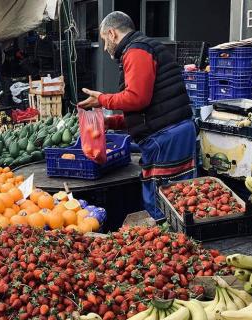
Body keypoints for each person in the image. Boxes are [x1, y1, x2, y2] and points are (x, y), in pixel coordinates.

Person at [78, 11, 195, 220]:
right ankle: (177, 242)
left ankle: (169, 243)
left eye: (104, 41)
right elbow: (148, 108)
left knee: (163, 200)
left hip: (166, 137)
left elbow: (137, 98)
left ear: (112, 34)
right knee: (180, 200)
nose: (105, 48)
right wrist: (110, 122)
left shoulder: (136, 50)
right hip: (173, 131)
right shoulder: (144, 48)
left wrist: (102, 99)